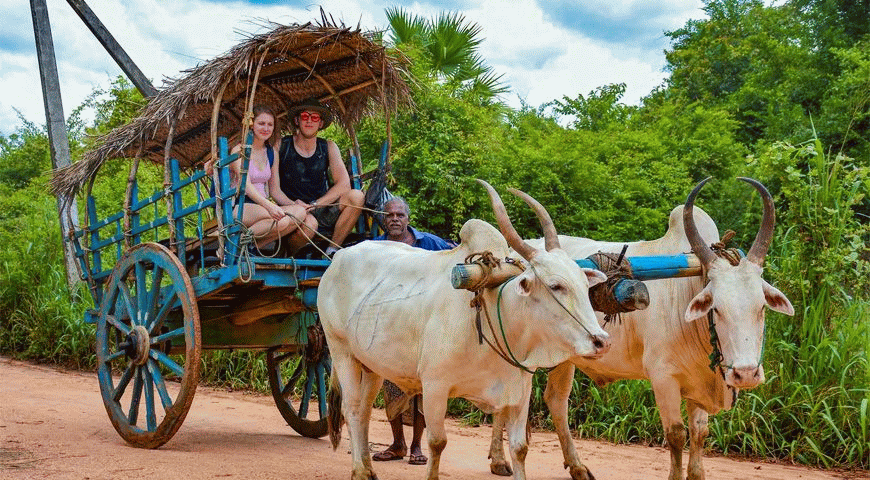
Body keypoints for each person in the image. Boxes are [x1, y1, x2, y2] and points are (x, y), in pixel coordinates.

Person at [371, 196, 454, 466]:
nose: (395, 219)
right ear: (384, 220)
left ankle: (417, 446)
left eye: (399, 215)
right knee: (391, 384)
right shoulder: (376, 248)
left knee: (422, 389)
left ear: (408, 219)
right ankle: (397, 444)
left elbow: (453, 252)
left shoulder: (428, 243)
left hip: (425, 325)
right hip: (391, 325)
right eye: (390, 215)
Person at [272, 97, 364, 256]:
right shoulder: (281, 145)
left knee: (356, 196)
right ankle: (291, 254)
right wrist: (296, 206)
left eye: (314, 117)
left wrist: (315, 205)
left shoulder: (328, 146)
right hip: (291, 209)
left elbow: (343, 184)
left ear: (320, 123)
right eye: (305, 117)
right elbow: (274, 190)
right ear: (297, 120)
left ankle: (332, 251)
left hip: (321, 207)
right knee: (309, 225)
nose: (309, 121)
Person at [208, 105, 306, 251]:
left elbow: (275, 191)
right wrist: (270, 206)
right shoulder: (239, 150)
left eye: (270, 124)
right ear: (252, 126)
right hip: (239, 205)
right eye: (261, 123)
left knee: (299, 213)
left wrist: (295, 204)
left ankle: (255, 246)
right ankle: (237, 242)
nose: (266, 128)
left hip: (262, 206)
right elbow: (245, 186)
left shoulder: (272, 152)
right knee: (281, 221)